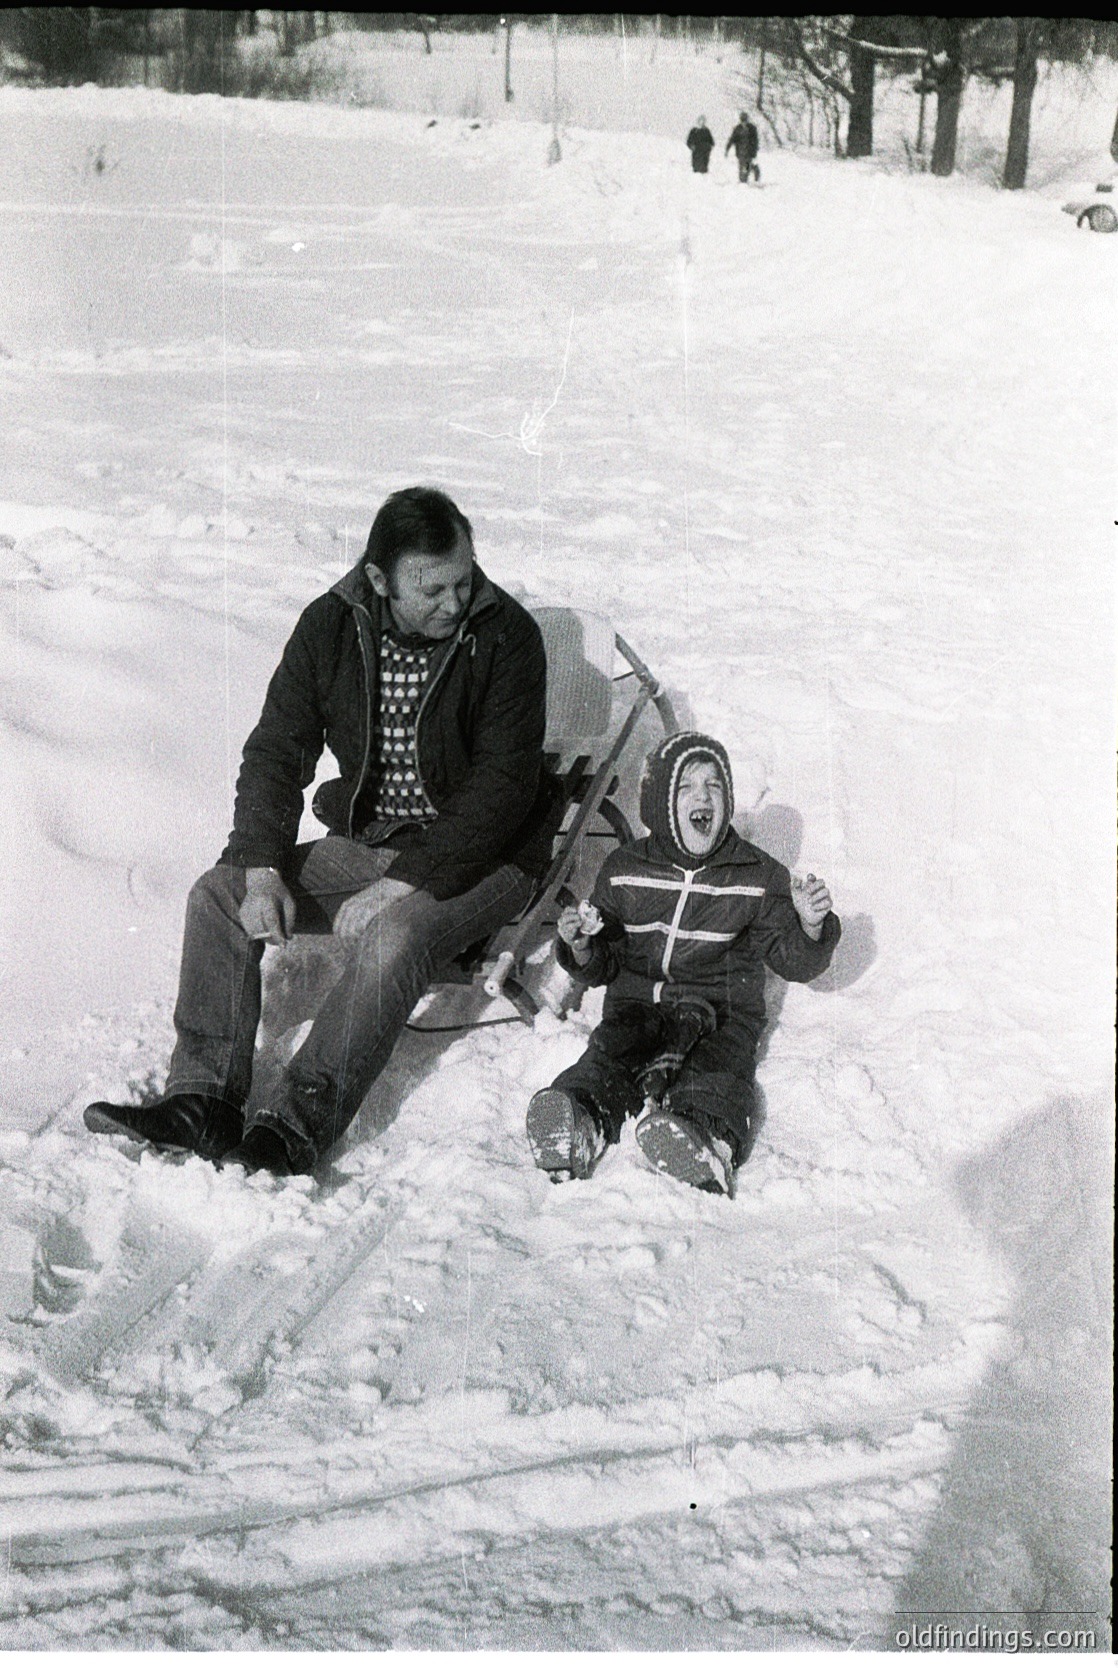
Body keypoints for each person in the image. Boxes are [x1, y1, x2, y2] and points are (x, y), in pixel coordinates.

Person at [85, 487, 559, 1177]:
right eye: (432, 589)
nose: (455, 602)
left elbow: (503, 789)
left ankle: (292, 1124)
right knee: (218, 894)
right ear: (378, 579)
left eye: (465, 579)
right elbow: (278, 749)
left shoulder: (506, 635)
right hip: (371, 845)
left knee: (396, 935)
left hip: (487, 861)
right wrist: (263, 869)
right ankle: (204, 1100)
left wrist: (404, 883)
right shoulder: (331, 627)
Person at [525, 731, 839, 1196]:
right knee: (610, 1053)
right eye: (688, 787)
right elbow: (605, 962)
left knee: (719, 1070)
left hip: (721, 1012)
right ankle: (579, 1118)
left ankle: (704, 1137)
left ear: (727, 798)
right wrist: (582, 945)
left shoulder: (757, 875)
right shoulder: (625, 867)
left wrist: (811, 926)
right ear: (661, 804)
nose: (703, 797)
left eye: (714, 786)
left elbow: (793, 961)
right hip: (638, 1004)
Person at [726, 110, 760, 183]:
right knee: (742, 166)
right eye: (742, 120)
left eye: (745, 120)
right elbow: (732, 139)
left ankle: (745, 179)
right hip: (740, 151)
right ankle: (744, 178)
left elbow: (755, 140)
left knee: (747, 165)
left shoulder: (752, 128)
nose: (744, 122)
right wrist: (727, 149)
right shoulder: (737, 129)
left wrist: (755, 150)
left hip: (749, 151)